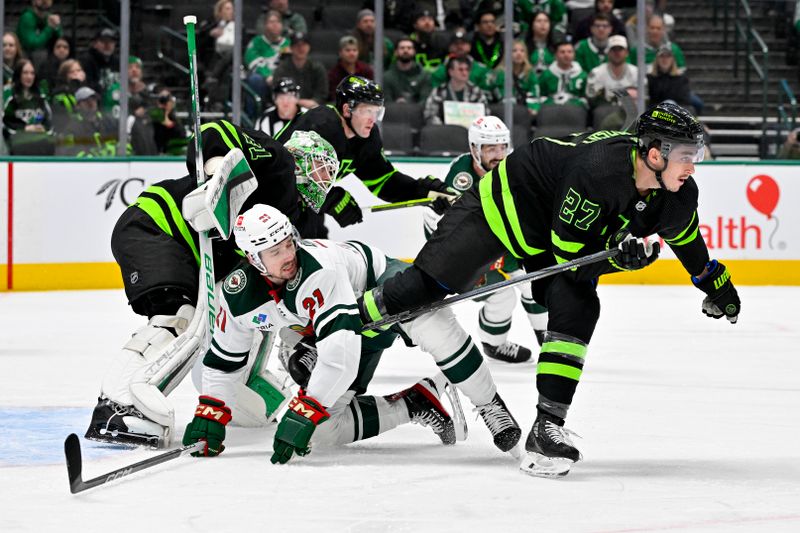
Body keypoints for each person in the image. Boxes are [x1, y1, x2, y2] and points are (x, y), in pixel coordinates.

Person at [358, 102, 742, 477]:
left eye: (696, 154)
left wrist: (716, 284)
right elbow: (570, 259)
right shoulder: (598, 172)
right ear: (656, 154)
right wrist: (617, 261)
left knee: (579, 305)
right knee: (426, 286)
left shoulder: (678, 193)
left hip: (550, 231)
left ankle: (546, 428)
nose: (693, 167)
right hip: (504, 206)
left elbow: (687, 239)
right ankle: (347, 323)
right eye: (687, 155)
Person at [183, 204, 521, 459]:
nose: (289, 255)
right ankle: (418, 402)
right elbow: (224, 359)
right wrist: (210, 409)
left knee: (431, 322)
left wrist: (305, 407)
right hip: (335, 325)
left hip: (379, 287)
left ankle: (490, 404)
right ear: (253, 259)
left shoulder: (317, 272)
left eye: (288, 243)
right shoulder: (237, 294)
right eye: (275, 251)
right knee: (323, 433)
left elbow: (339, 358)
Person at [83, 126, 339, 447]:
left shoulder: (293, 220)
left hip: (196, 257)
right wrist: (216, 169)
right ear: (300, 158)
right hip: (159, 225)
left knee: (247, 316)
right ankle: (117, 405)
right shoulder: (279, 164)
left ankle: (249, 388)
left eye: (331, 172)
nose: (325, 178)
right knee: (178, 316)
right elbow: (214, 132)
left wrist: (300, 337)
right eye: (321, 167)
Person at [423, 115, 548, 361]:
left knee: (535, 283)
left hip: (503, 249)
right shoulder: (462, 175)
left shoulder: (511, 167)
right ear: (474, 149)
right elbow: (451, 231)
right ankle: (494, 344)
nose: (499, 154)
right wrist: (437, 210)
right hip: (468, 259)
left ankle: (548, 341)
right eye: (491, 148)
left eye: (502, 146)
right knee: (503, 295)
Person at [276, 76, 457, 238]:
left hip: (308, 210)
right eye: (367, 111)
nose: (373, 119)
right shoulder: (320, 124)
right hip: (273, 203)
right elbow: (283, 173)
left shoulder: (366, 139)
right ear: (347, 110)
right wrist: (332, 199)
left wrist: (422, 191)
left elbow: (384, 182)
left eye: (377, 112)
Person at [3, 58, 54, 155]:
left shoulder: (40, 95)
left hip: (39, 144)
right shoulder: (8, 94)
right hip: (14, 145)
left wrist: (42, 127)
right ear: (18, 74)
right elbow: (5, 121)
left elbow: (48, 120)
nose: (29, 76)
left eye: (32, 73)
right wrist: (24, 128)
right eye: (25, 73)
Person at [423, 56, 489, 125]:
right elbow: (430, 114)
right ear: (451, 72)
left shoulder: (476, 91)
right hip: (446, 131)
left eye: (467, 70)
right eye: (461, 70)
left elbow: (486, 113)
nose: (465, 73)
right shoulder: (439, 92)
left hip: (472, 131)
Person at [272, 32, 327, 110]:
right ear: (291, 48)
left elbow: (322, 94)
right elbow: (277, 93)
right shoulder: (282, 69)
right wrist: (296, 102)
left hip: (312, 109)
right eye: (297, 45)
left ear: (309, 47)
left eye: (304, 45)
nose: (301, 48)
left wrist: (314, 101)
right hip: (287, 108)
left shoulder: (317, 68)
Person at [492, 41, 542, 117]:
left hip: (525, 110)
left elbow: (534, 92)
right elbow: (499, 94)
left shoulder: (530, 73)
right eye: (514, 51)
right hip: (504, 110)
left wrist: (532, 107)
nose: (518, 54)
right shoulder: (500, 73)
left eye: (522, 51)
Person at [382, 37, 433, 104]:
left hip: (418, 112)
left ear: (414, 52)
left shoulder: (425, 76)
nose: (405, 51)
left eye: (409, 48)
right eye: (402, 48)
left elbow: (425, 100)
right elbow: (386, 101)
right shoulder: (387, 77)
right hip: (393, 112)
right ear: (396, 52)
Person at [538, 41, 587, 108]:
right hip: (551, 108)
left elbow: (585, 97)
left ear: (574, 54)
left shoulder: (582, 75)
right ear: (556, 55)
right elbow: (540, 95)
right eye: (562, 52)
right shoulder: (547, 75)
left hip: (575, 109)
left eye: (569, 52)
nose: (566, 55)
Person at [327, 36, 374, 103]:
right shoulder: (333, 74)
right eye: (348, 50)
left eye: (354, 50)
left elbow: (371, 93)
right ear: (340, 53)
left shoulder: (366, 70)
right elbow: (334, 97)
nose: (352, 54)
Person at [15, 0, 62, 66]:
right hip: (26, 58)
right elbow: (32, 44)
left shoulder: (50, 17)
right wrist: (49, 28)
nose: (45, 1)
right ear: (33, 1)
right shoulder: (27, 17)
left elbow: (61, 41)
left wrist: (57, 28)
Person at [647, 45, 691, 110]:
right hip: (655, 113)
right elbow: (650, 101)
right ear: (657, 59)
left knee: (670, 103)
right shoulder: (650, 78)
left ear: (673, 59)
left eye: (668, 56)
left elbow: (685, 101)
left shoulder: (681, 78)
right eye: (662, 56)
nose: (665, 59)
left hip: (676, 113)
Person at [79, 28, 119, 96]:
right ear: (95, 44)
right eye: (103, 41)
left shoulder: (118, 61)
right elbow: (88, 85)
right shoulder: (87, 61)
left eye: (111, 42)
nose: (107, 45)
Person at [524, 11, 555, 76]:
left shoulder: (556, 46)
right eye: (539, 21)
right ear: (532, 25)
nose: (543, 24)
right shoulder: (523, 46)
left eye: (546, 21)